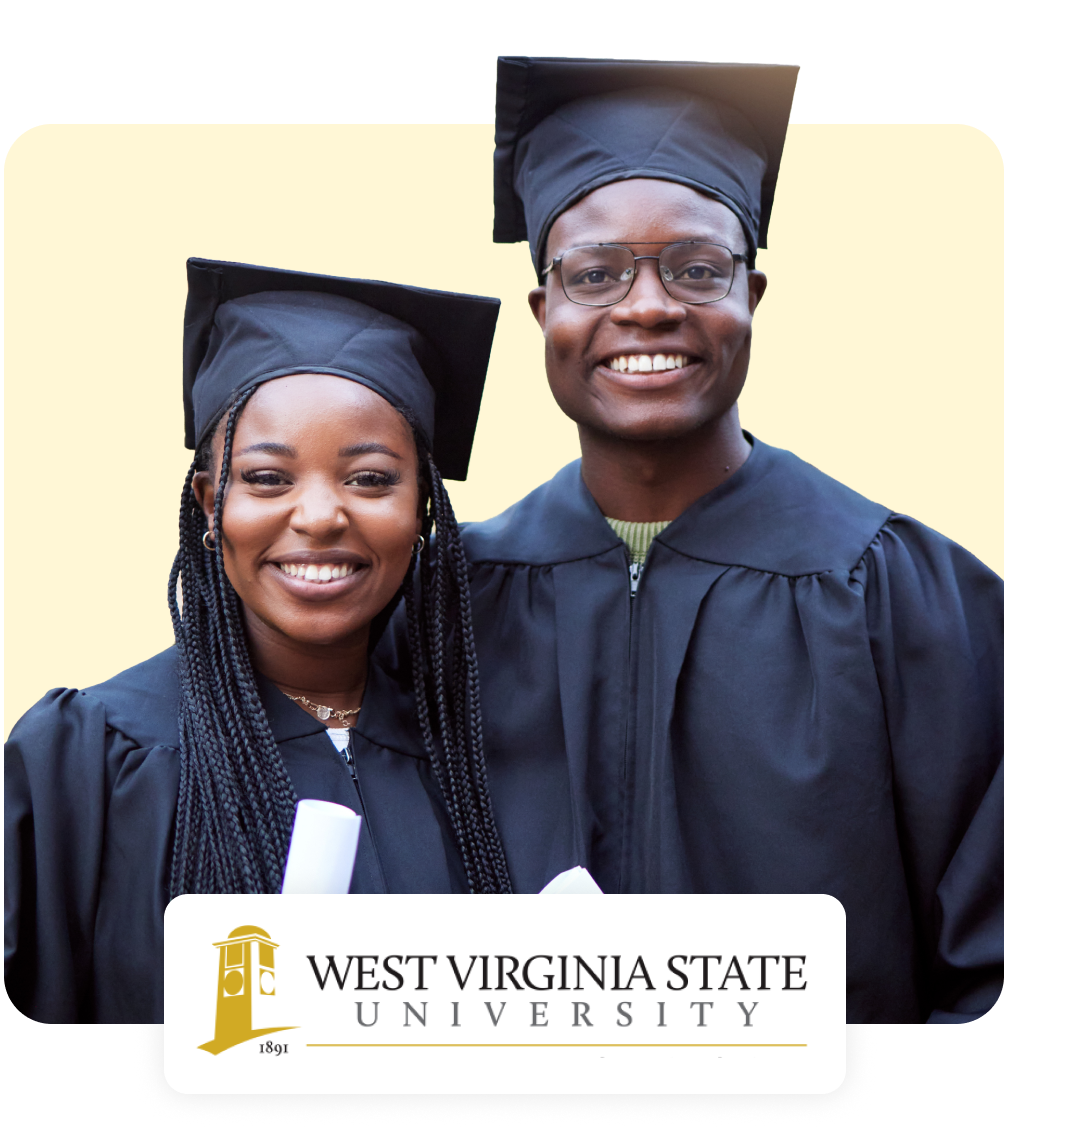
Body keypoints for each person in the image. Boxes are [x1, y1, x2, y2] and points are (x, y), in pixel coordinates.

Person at [408, 57, 1003, 1023]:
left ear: (752, 298)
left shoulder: (908, 594)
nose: (647, 306)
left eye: (695, 268)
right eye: (594, 274)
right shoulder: (449, 604)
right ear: (543, 313)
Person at [4, 258, 512, 1024]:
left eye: (371, 479)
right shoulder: (90, 760)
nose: (318, 516)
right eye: (268, 479)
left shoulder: (483, 754)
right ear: (212, 504)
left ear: (424, 510)